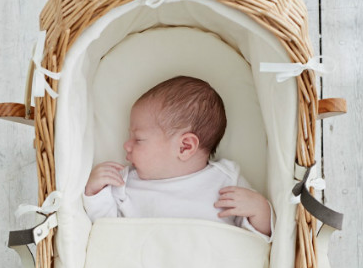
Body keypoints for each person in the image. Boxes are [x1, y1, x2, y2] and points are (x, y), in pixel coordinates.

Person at [83, 76, 272, 239]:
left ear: (185, 146)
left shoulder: (227, 180)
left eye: (138, 139)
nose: (126, 145)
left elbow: (253, 240)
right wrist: (95, 194)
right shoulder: (123, 182)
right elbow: (105, 230)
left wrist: (260, 211)